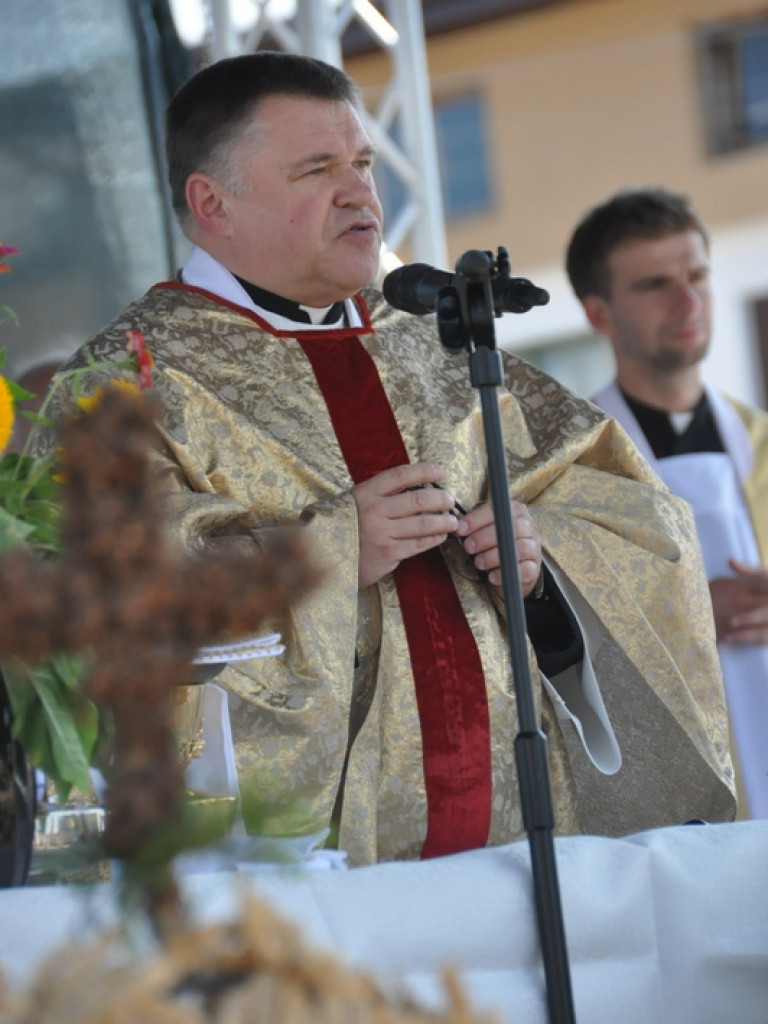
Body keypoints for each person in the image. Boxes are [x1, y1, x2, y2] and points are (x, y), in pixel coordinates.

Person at [43, 54, 735, 865]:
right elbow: (89, 601)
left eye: (364, 163)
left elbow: (630, 516)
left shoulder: (439, 344)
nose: (360, 192)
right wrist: (324, 554)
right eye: (316, 169)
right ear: (212, 203)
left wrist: (545, 564)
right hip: (302, 874)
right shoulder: (121, 386)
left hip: (520, 838)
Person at [566, 185, 768, 819]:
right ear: (599, 313)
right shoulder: (575, 467)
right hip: (672, 792)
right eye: (654, 284)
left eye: (699, 275)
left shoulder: (762, 441)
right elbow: (553, 643)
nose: (689, 302)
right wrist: (688, 614)